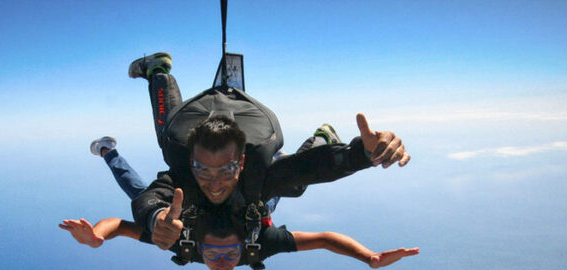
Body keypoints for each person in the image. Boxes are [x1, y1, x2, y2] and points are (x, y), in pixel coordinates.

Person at [127, 52, 412, 251]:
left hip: (228, 129)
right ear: (193, 163)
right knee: (173, 143)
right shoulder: (184, 176)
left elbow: (310, 167)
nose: (214, 184)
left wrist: (363, 153)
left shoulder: (255, 173)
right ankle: (159, 71)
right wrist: (157, 217)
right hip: (198, 130)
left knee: (168, 140)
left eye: (225, 170)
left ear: (241, 164)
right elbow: (148, 200)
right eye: (203, 170)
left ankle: (157, 71)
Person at [59, 212, 419, 270]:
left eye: (226, 255)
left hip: (247, 213)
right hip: (243, 214)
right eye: (216, 254)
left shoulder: (188, 248)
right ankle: (109, 152)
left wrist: (368, 257)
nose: (220, 262)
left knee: (270, 193)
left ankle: (319, 142)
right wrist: (97, 237)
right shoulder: (257, 248)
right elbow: (120, 226)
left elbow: (121, 228)